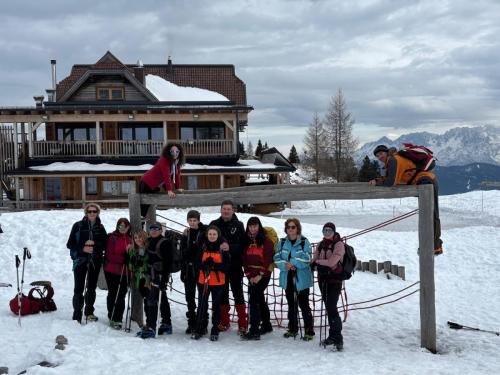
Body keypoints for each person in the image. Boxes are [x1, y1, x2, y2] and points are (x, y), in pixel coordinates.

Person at [368, 144, 443, 255]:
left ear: (386, 152)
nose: (379, 157)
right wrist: (377, 180)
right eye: (377, 156)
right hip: (424, 181)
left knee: (431, 215)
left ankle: (433, 247)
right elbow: (392, 178)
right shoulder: (393, 160)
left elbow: (390, 182)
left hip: (426, 182)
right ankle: (431, 246)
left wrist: (376, 183)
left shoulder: (393, 160)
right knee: (430, 214)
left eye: (381, 154)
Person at [274, 218, 315, 340]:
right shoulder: (282, 242)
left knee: (304, 304)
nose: (290, 229)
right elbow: (277, 258)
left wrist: (293, 263)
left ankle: (309, 330)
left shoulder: (304, 242)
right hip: (288, 277)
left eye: (293, 227)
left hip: (301, 279)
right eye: (288, 227)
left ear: (297, 228)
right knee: (291, 304)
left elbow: (307, 258)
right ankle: (293, 328)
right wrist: (284, 265)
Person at [210, 200, 247, 334]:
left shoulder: (239, 225)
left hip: (235, 265)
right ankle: (224, 321)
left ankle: (243, 323)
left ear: (233, 210)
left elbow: (243, 246)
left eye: (228, 209)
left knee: (238, 293)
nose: (226, 211)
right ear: (221, 210)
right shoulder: (214, 224)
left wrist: (230, 247)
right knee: (222, 294)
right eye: (224, 209)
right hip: (219, 267)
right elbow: (207, 240)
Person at [66, 203, 107, 323]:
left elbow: (105, 244)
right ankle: (77, 313)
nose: (92, 213)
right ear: (86, 213)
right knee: (78, 288)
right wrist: (82, 248)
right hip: (80, 260)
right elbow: (70, 244)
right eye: (90, 211)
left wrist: (95, 244)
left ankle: (89, 312)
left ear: (98, 213)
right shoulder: (78, 226)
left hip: (95, 261)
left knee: (91, 288)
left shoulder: (100, 227)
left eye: (95, 211)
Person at [192, 225, 230, 342]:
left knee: (216, 306)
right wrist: (204, 265)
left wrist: (214, 266)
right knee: (202, 305)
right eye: (210, 234)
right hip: (204, 281)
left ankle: (215, 328)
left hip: (218, 282)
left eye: (214, 234)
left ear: (218, 235)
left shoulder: (222, 248)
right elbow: (197, 263)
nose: (212, 236)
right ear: (207, 235)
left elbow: (227, 266)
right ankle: (200, 327)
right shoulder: (203, 246)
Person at [136, 222, 174, 339]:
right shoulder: (150, 241)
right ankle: (166, 323)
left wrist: (165, 279)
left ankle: (151, 327)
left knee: (152, 300)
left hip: (159, 276)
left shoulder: (165, 242)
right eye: (151, 229)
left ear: (160, 230)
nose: (154, 231)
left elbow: (168, 262)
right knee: (161, 299)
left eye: (156, 229)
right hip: (150, 275)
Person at [311, 222, 345, 351]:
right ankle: (332, 336)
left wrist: (319, 263)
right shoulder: (320, 244)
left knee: (331, 307)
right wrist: (313, 264)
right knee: (329, 307)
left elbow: (332, 262)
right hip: (322, 280)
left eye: (329, 230)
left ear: (334, 231)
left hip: (335, 281)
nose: (327, 233)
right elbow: (314, 259)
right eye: (324, 230)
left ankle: (338, 338)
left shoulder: (339, 245)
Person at [241, 217, 275, 341]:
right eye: (250, 226)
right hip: (251, 274)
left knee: (254, 300)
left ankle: (254, 330)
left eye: (255, 226)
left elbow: (268, 259)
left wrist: (260, 275)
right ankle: (266, 324)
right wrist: (249, 275)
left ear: (259, 226)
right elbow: (244, 259)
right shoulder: (246, 240)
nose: (253, 228)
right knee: (259, 298)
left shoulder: (266, 241)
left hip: (263, 275)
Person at [139, 143, 185, 218]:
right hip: (146, 183)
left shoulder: (176, 162)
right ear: (168, 152)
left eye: (177, 151)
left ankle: (146, 225)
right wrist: (169, 190)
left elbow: (177, 175)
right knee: (144, 208)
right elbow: (166, 175)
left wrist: (177, 188)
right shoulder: (164, 160)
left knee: (150, 205)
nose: (175, 153)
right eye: (172, 151)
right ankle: (139, 227)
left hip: (155, 186)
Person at [180, 210, 207, 334]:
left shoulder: (203, 232)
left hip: (200, 268)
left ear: (198, 220)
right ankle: (191, 321)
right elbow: (183, 252)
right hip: (189, 268)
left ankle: (202, 322)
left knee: (202, 296)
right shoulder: (186, 234)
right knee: (189, 297)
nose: (192, 222)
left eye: (194, 220)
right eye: (190, 220)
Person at [104, 218, 132, 329]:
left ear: (128, 227)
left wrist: (130, 258)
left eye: (125, 226)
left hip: (125, 272)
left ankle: (118, 317)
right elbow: (109, 255)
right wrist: (122, 259)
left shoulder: (130, 239)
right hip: (112, 270)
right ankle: (112, 315)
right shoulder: (112, 238)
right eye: (120, 226)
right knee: (113, 293)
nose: (122, 228)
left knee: (121, 295)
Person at [126, 230, 149, 329]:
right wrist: (131, 259)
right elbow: (131, 267)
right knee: (145, 300)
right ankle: (147, 322)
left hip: (148, 278)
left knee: (150, 301)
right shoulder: (133, 249)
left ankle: (150, 322)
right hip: (139, 278)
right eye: (135, 238)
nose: (138, 240)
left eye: (140, 237)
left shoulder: (147, 248)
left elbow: (148, 262)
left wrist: (142, 263)